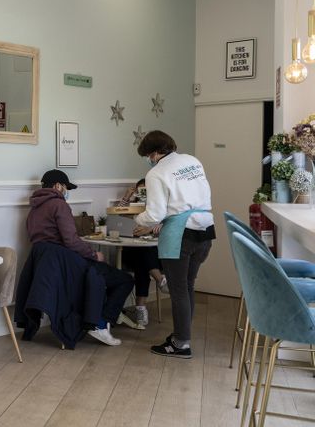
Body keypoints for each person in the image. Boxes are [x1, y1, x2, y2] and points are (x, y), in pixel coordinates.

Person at [27, 169, 135, 346]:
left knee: (103, 275)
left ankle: (96, 317)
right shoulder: (59, 204)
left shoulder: (34, 208)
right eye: (66, 187)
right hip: (67, 264)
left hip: (50, 267)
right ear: (57, 186)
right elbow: (71, 240)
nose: (66, 192)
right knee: (124, 279)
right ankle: (100, 323)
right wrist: (94, 254)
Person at [133, 131, 215, 359]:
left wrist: (138, 220)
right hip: (206, 229)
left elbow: (155, 214)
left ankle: (181, 344)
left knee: (178, 290)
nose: (148, 159)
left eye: (148, 154)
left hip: (181, 234)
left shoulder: (156, 173)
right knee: (188, 286)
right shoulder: (192, 161)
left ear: (153, 152)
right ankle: (182, 335)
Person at [119, 179, 169, 328]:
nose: (143, 194)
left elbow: (165, 226)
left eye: (146, 191)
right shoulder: (132, 206)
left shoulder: (158, 209)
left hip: (152, 252)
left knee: (142, 260)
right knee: (141, 254)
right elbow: (117, 217)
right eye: (141, 191)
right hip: (129, 251)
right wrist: (127, 196)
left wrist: (155, 228)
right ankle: (160, 280)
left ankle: (141, 308)